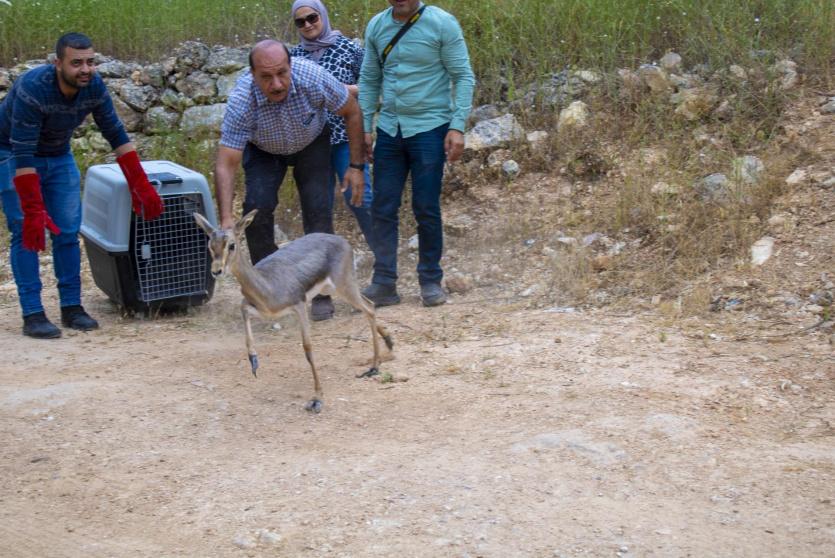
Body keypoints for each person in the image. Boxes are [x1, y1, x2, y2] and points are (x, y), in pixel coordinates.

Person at [0, 32, 164, 339]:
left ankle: (72, 307)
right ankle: (33, 313)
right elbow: (22, 152)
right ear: (57, 63)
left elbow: (116, 133)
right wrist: (34, 209)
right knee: (26, 230)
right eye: (76, 63)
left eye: (90, 62)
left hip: (58, 153)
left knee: (66, 229)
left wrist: (141, 185)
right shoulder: (33, 88)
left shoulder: (94, 87)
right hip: (13, 154)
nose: (85, 69)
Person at [214, 39, 365, 321]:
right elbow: (226, 162)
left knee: (318, 210)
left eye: (282, 73)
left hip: (312, 143)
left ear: (291, 66)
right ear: (252, 75)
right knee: (256, 212)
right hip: (264, 150)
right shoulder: (241, 99)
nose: (277, 84)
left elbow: (352, 111)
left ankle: (320, 293)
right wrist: (225, 218)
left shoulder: (313, 77)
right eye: (266, 77)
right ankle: (268, 292)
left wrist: (356, 165)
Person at [359, 0, 475, 307]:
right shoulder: (376, 26)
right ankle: (384, 282)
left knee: (426, 206)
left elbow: (463, 75)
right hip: (389, 129)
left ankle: (430, 280)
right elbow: (370, 78)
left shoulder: (442, 22)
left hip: (430, 127)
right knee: (382, 206)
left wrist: (458, 126)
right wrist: (365, 126)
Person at [289, 0, 377, 256]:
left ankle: (385, 259)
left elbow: (373, 87)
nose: (307, 25)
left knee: (360, 199)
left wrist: (345, 91)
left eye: (312, 18)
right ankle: (321, 269)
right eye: (300, 21)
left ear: (323, 16)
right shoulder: (293, 57)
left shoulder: (349, 48)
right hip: (311, 143)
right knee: (318, 206)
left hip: (345, 138)